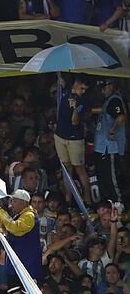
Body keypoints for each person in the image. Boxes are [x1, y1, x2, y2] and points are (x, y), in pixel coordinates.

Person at [0, 190, 42, 294]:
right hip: (14, 263)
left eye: (14, 200)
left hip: (27, 264)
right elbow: (6, 227)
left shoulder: (29, 216)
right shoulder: (18, 215)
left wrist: (1, 212)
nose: (11, 203)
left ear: (23, 202)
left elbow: (15, 228)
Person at [54, 76, 92, 206]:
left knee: (79, 169)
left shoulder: (83, 100)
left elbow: (75, 122)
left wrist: (75, 108)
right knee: (66, 168)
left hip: (75, 138)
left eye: (85, 89)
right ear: (76, 83)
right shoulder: (65, 90)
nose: (83, 91)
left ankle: (87, 200)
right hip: (60, 135)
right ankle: (68, 199)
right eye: (81, 88)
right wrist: (60, 83)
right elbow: (61, 87)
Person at [93, 78, 126, 202]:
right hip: (102, 148)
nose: (103, 90)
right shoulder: (107, 100)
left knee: (112, 179)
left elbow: (121, 117)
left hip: (111, 148)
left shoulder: (115, 100)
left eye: (104, 87)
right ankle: (108, 205)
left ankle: (119, 204)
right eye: (101, 88)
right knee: (104, 178)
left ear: (111, 85)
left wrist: (113, 130)